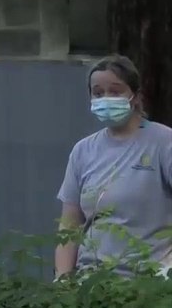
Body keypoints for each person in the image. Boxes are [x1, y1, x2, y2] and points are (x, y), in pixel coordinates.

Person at [55, 55, 172, 279]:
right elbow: (70, 225)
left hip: (150, 282)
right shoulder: (83, 150)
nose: (105, 98)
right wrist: (62, 279)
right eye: (98, 93)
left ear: (135, 96)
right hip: (91, 282)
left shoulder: (163, 142)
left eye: (115, 91)